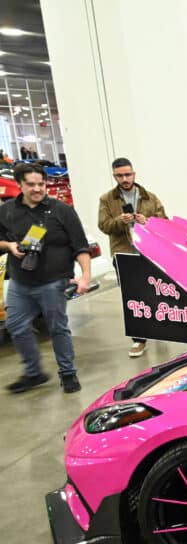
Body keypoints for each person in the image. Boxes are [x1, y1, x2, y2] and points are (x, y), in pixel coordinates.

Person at [0, 162, 92, 393]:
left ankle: (67, 373)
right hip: (20, 283)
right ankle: (34, 373)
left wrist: (85, 277)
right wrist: (9, 245)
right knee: (15, 326)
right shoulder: (7, 211)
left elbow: (81, 247)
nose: (38, 189)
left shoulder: (62, 211)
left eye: (41, 184)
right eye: (31, 185)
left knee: (57, 327)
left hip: (53, 282)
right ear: (20, 185)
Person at [97, 157, 166, 357]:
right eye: (120, 175)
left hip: (149, 254)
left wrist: (148, 221)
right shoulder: (107, 199)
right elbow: (103, 226)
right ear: (114, 176)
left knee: (156, 293)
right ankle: (139, 340)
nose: (125, 178)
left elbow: (164, 222)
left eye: (128, 174)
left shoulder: (149, 197)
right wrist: (119, 221)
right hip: (124, 254)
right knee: (132, 297)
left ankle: (162, 327)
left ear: (134, 174)